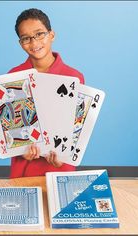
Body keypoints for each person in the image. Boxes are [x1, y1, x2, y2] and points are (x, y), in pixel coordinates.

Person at [8, 8, 85, 178]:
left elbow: (75, 132)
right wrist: (21, 151)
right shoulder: (13, 76)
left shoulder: (74, 77)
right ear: (21, 43)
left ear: (52, 35)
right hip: (24, 169)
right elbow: (12, 128)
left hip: (60, 168)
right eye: (26, 38)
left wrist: (64, 158)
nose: (34, 43)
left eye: (39, 34)